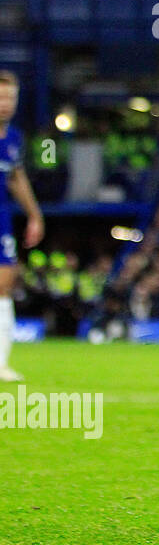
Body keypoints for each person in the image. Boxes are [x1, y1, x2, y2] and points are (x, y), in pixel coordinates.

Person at [0, 72, 44, 382]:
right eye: (1, 97)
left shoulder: (13, 137)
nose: (5, 104)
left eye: (10, 98)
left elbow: (15, 177)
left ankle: (1, 362)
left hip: (1, 216)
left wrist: (34, 215)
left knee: (5, 283)